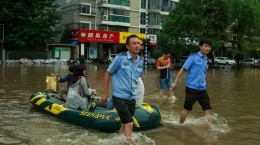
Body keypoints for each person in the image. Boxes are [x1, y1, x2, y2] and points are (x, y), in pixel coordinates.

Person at [101, 34, 143, 144]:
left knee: (124, 124)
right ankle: (129, 142)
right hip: (119, 97)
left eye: (138, 43)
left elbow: (137, 80)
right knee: (129, 123)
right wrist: (105, 93)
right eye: (134, 43)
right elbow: (108, 73)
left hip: (131, 98)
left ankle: (117, 142)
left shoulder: (140, 62)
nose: (137, 45)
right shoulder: (120, 58)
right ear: (128, 46)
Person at [171, 39, 212, 124]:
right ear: (200, 47)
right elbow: (183, 69)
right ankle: (180, 125)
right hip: (191, 89)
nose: (208, 48)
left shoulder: (206, 59)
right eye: (206, 46)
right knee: (187, 109)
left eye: (209, 47)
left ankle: (208, 131)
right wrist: (175, 82)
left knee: (208, 109)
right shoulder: (193, 57)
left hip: (202, 89)